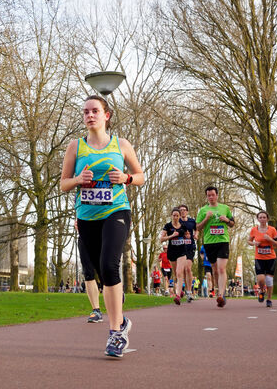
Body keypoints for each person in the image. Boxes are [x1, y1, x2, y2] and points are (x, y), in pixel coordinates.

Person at [60, 94, 145, 358]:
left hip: (116, 211)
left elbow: (141, 176)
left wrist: (126, 177)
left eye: (95, 110)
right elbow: (63, 183)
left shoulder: (121, 144)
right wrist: (77, 180)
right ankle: (120, 319)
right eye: (85, 111)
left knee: (110, 265)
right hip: (87, 217)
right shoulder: (76, 147)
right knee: (102, 274)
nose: (89, 115)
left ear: (106, 115)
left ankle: (115, 332)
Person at [197, 186, 235, 307]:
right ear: (206, 197)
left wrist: (226, 220)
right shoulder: (203, 210)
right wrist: (206, 218)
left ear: (217, 195)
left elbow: (232, 223)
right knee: (214, 269)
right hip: (209, 242)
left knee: (221, 268)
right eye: (209, 195)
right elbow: (198, 227)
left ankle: (221, 294)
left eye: (213, 195)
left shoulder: (225, 208)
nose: (211, 197)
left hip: (223, 241)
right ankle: (220, 290)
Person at [248, 211, 277, 308]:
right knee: (261, 280)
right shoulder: (254, 230)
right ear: (258, 219)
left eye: (264, 217)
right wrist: (254, 243)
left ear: (267, 219)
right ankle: (262, 290)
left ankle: (269, 299)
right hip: (259, 258)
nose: (262, 219)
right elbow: (249, 241)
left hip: (271, 258)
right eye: (260, 217)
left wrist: (270, 239)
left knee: (269, 280)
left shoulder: (272, 230)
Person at [76, 219, 104, 322]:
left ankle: (116, 292)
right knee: (88, 273)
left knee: (107, 271)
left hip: (104, 233)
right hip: (85, 234)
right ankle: (96, 310)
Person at [160, 208, 186, 305]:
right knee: (175, 274)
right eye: (174, 215)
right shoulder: (167, 226)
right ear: (171, 216)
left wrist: (188, 236)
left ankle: (178, 296)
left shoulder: (183, 226)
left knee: (179, 273)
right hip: (172, 252)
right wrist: (172, 236)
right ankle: (180, 291)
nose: (175, 217)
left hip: (182, 252)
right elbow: (161, 239)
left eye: (177, 215)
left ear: (179, 216)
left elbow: (188, 235)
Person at [178, 204, 197, 302]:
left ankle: (189, 292)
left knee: (188, 269)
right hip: (180, 248)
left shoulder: (192, 221)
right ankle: (185, 290)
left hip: (190, 247)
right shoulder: (177, 221)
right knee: (183, 270)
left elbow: (197, 229)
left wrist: (196, 235)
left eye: (184, 210)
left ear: (187, 211)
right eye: (180, 210)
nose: (182, 211)